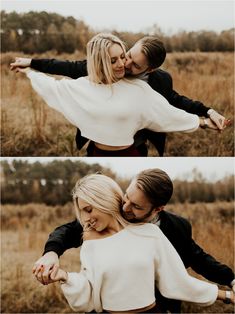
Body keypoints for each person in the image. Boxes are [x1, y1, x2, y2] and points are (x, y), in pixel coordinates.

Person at [33, 169, 235, 313]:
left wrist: (229, 286)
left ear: (157, 209)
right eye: (125, 197)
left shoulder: (169, 229)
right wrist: (56, 262)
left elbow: (194, 260)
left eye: (136, 206)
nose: (125, 208)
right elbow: (67, 232)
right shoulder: (95, 230)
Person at [10, 36, 228, 156]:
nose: (125, 64)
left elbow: (175, 103)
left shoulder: (156, 83)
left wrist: (207, 115)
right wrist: (31, 64)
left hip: (135, 146)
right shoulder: (105, 66)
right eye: (128, 55)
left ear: (149, 70)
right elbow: (66, 67)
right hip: (96, 146)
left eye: (135, 64)